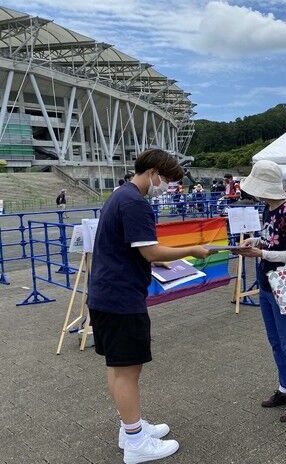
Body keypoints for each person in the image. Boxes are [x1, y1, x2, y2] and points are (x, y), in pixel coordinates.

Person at [87, 149, 209, 463]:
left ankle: (131, 428)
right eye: (166, 179)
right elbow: (151, 252)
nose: (167, 186)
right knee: (128, 370)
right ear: (153, 172)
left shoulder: (120, 195)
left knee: (118, 367)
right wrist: (193, 249)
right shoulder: (134, 202)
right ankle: (136, 443)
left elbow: (133, 250)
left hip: (105, 295)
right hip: (121, 299)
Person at [236, 160, 286, 422]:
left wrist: (260, 252)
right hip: (267, 283)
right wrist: (256, 241)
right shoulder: (268, 209)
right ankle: (285, 388)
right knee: (276, 341)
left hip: (284, 285)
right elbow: (270, 238)